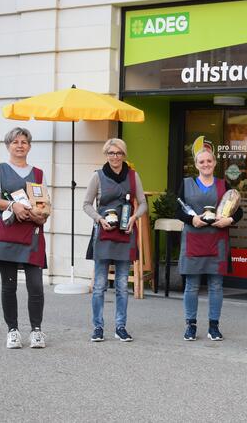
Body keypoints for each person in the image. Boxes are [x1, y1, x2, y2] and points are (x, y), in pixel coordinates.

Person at [0, 127, 50, 349]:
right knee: (9, 286)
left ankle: (36, 331)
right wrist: (13, 205)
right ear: (8, 146)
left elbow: (43, 205)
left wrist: (41, 216)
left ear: (30, 146)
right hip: (7, 234)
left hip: (32, 234)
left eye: (24, 142)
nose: (20, 145)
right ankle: (12, 330)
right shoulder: (0, 169)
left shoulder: (39, 173)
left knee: (36, 286)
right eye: (15, 142)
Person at [83, 138, 147, 343]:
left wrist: (135, 218)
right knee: (100, 284)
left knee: (121, 284)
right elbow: (86, 204)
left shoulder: (133, 176)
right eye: (111, 153)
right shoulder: (98, 177)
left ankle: (121, 326)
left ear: (124, 155)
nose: (115, 157)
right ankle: (98, 327)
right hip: (104, 233)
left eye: (119, 153)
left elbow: (143, 203)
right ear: (106, 155)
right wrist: (99, 219)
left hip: (126, 232)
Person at [176, 148, 243, 341]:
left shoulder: (224, 185)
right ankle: (191, 325)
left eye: (209, 161)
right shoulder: (186, 184)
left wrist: (229, 221)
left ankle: (214, 326)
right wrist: (192, 220)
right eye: (201, 162)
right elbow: (178, 211)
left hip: (217, 240)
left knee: (216, 285)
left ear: (214, 163)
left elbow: (238, 211)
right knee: (192, 285)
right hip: (193, 240)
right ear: (196, 165)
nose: (205, 164)